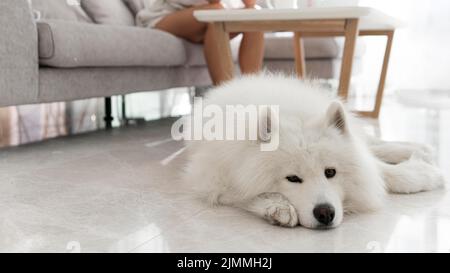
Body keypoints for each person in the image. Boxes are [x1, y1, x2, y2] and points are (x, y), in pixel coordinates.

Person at [137, 0, 265, 85]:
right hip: (164, 16)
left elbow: (250, 3)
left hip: (203, 17)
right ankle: (226, 96)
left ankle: (252, 91)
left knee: (253, 16)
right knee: (216, 14)